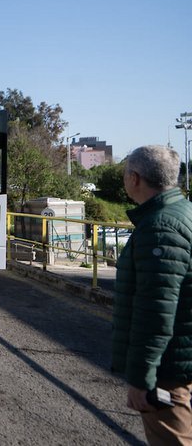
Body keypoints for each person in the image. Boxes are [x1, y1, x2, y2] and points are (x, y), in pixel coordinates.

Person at [112, 145, 192, 444]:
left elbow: (156, 312)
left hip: (169, 369)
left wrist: (143, 379)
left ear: (134, 178)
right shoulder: (181, 210)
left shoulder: (159, 227)